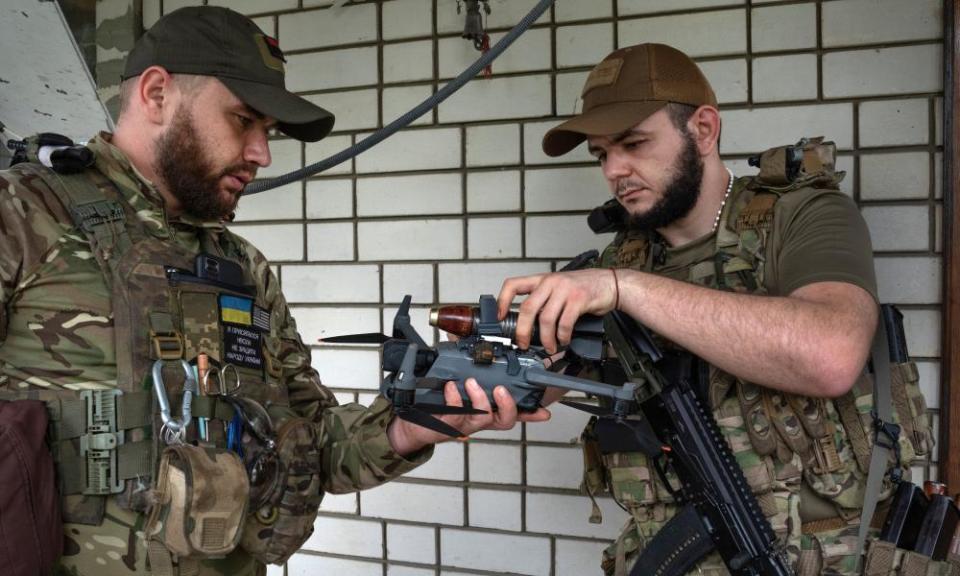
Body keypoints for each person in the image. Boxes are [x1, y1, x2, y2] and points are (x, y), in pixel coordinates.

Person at [0, 6, 547, 576]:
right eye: (244, 120)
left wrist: (412, 425)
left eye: (269, 131)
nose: (262, 153)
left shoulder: (241, 268)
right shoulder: (23, 215)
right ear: (157, 93)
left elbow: (315, 444)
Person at [497, 43, 889, 575]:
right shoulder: (626, 257)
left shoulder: (804, 216)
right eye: (601, 154)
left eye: (634, 143)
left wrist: (625, 288)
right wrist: (492, 382)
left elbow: (831, 354)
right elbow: (562, 373)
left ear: (703, 130)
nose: (615, 170)